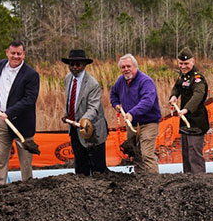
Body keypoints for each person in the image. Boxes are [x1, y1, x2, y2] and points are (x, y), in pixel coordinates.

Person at [0, 40, 39, 190]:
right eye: (13, 53)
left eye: (19, 54)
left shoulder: (31, 75)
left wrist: (10, 112)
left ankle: (28, 191)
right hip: (1, 123)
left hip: (22, 124)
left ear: (24, 54)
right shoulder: (1, 65)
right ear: (7, 53)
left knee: (26, 163)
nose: (16, 56)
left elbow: (30, 100)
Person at [110, 53, 162, 174]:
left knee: (146, 154)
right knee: (135, 153)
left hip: (148, 123)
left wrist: (132, 113)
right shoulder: (120, 80)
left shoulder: (146, 81)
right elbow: (113, 94)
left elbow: (147, 101)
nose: (126, 69)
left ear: (135, 66)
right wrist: (116, 104)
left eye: (128, 66)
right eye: (123, 67)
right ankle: (140, 181)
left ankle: (154, 182)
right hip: (131, 123)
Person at [61, 48, 108, 176]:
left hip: (93, 132)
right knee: (81, 168)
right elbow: (71, 100)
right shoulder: (68, 79)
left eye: (78, 64)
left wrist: (83, 121)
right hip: (75, 130)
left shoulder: (92, 84)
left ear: (84, 65)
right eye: (72, 64)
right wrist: (67, 114)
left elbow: (93, 108)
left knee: (98, 170)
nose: (74, 67)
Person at [168, 49, 209, 173]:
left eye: (186, 64)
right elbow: (177, 87)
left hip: (196, 121)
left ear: (193, 62)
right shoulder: (183, 75)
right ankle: (188, 180)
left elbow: (198, 95)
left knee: (194, 155)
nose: (183, 66)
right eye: (181, 64)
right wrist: (174, 96)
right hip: (185, 120)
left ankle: (200, 182)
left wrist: (186, 109)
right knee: (186, 153)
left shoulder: (198, 78)